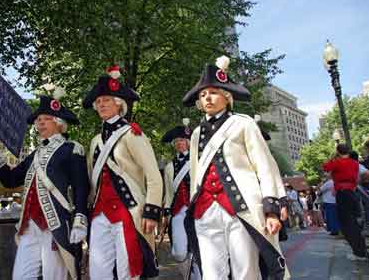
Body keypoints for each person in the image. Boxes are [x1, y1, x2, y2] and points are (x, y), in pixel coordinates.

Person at [182, 56, 288, 279]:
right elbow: (195, 173)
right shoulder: (196, 134)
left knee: (246, 271)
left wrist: (271, 207)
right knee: (211, 274)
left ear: (227, 96)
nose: (207, 98)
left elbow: (265, 166)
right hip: (205, 210)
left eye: (213, 92)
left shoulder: (243, 123)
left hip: (241, 207)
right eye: (202, 95)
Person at [0, 89, 90, 280]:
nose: (40, 122)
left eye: (46, 118)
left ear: (59, 123)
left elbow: (81, 187)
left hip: (56, 224)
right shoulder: (35, 154)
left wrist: (80, 220)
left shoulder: (71, 149)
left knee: (54, 277)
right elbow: (11, 180)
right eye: (38, 119)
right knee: (20, 276)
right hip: (28, 225)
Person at [83, 65, 163, 280]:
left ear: (119, 104)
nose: (101, 105)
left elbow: (153, 174)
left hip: (128, 210)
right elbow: (93, 180)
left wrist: (152, 210)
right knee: (98, 271)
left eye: (106, 100)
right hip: (100, 213)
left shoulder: (132, 134)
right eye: (98, 102)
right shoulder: (95, 141)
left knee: (129, 269)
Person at [161, 120, 201, 279]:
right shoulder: (170, 166)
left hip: (197, 209)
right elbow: (169, 192)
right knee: (179, 251)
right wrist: (166, 212)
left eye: (182, 140)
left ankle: (197, 276)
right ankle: (186, 273)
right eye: (176, 141)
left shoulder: (198, 159)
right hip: (178, 210)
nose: (179, 144)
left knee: (198, 246)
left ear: (189, 142)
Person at [323, 144, 368, 261]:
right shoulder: (354, 163)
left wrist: (333, 157)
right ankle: (361, 249)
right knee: (355, 222)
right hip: (352, 192)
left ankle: (358, 253)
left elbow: (325, 167)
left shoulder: (337, 162)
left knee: (346, 223)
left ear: (338, 152)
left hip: (342, 193)